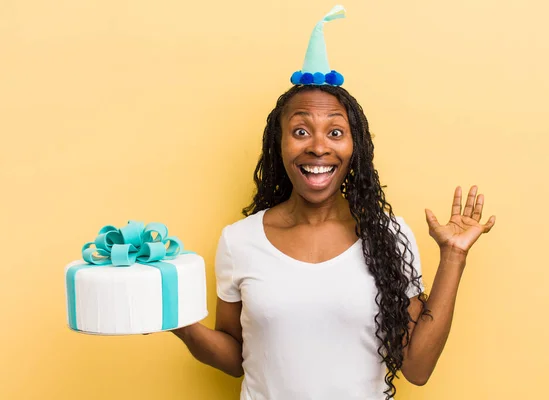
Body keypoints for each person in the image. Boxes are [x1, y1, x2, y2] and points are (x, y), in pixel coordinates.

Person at [172, 6, 495, 400]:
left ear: (355, 147)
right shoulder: (239, 241)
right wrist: (180, 324)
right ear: (279, 144)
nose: (319, 146)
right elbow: (238, 356)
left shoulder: (388, 236)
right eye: (301, 130)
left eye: (336, 131)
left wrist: (453, 256)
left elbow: (418, 367)